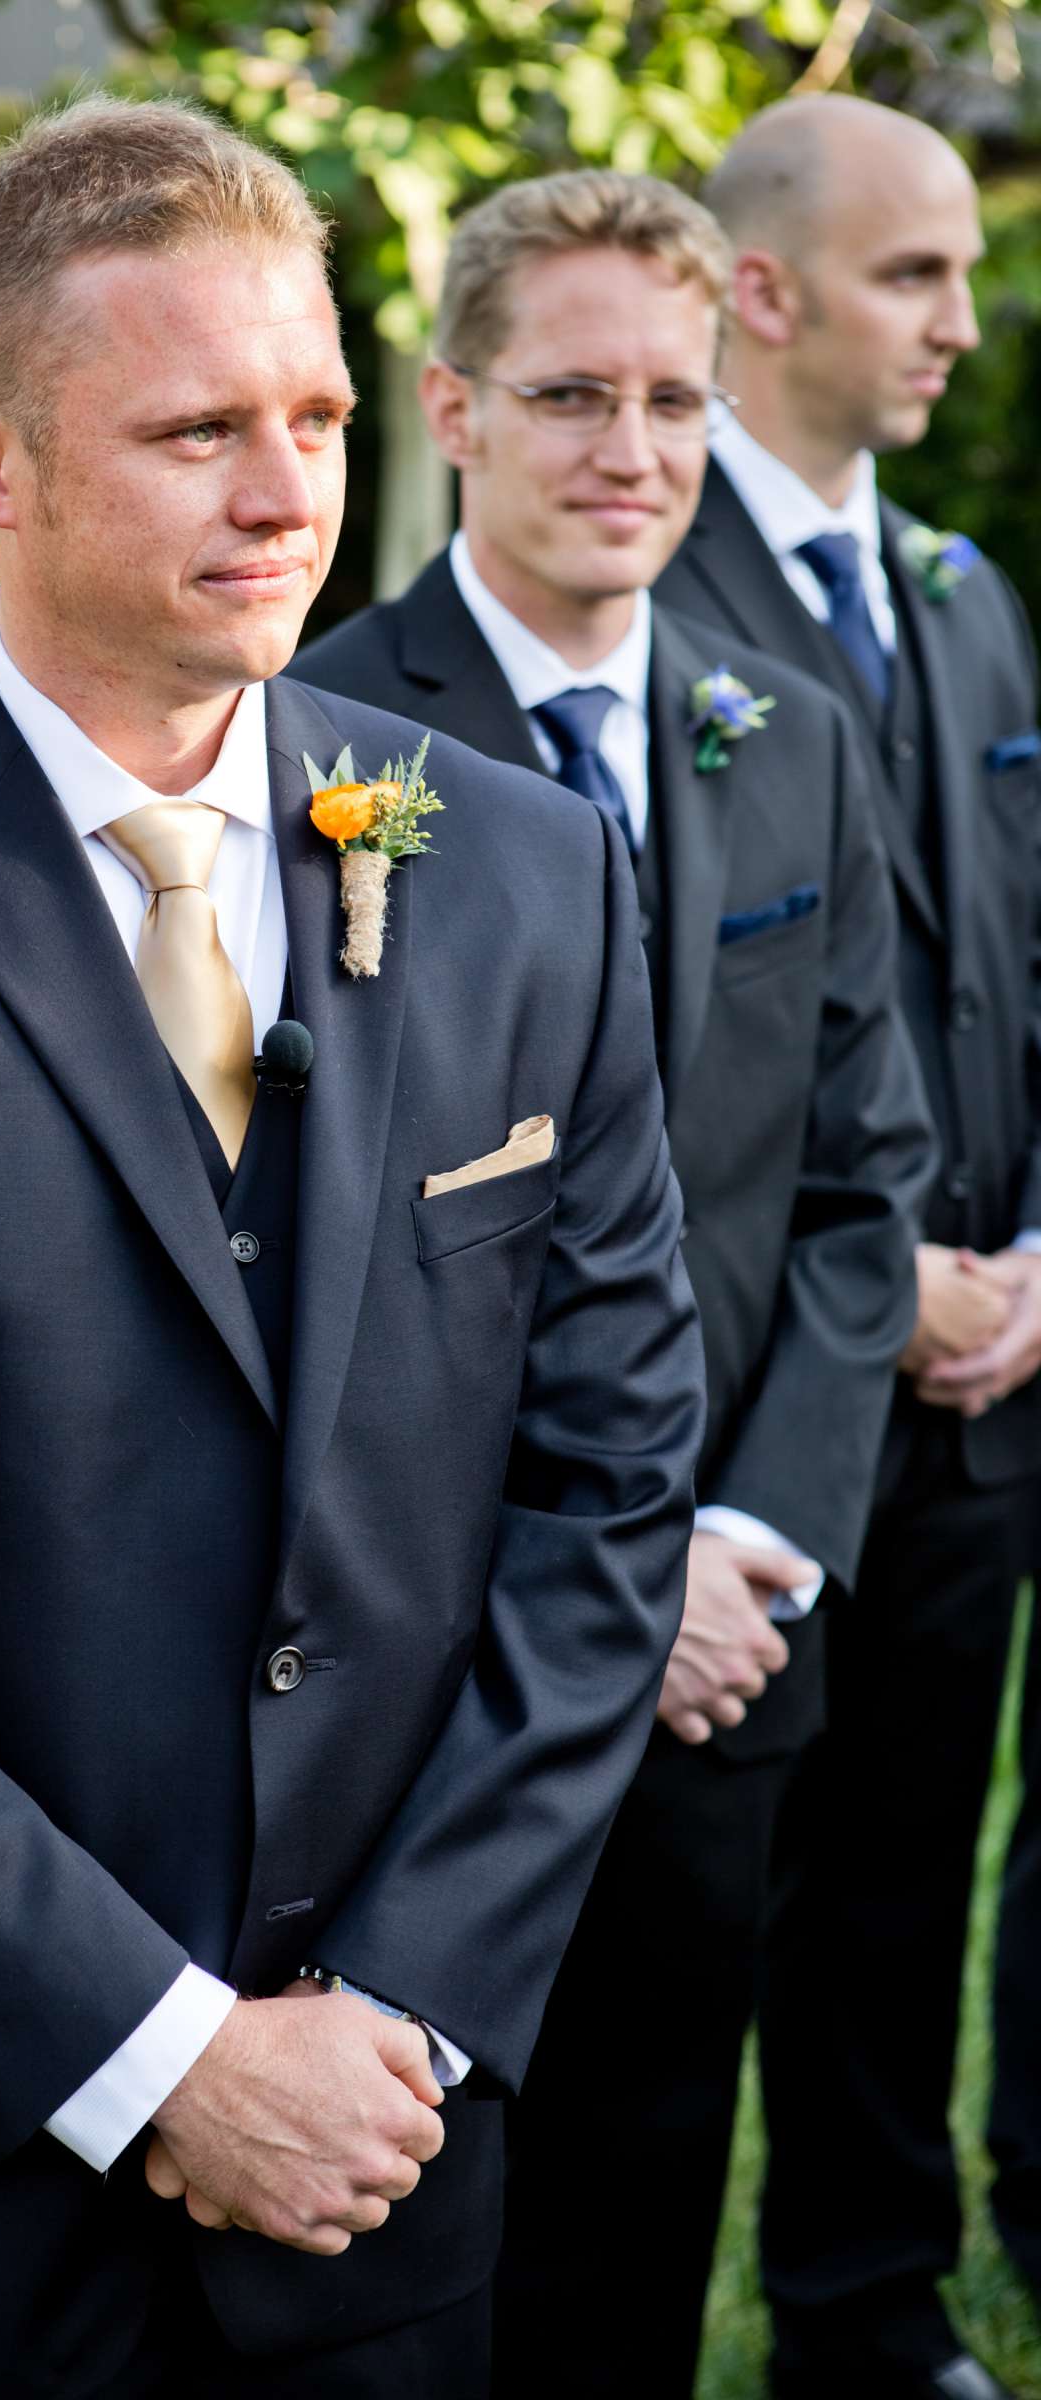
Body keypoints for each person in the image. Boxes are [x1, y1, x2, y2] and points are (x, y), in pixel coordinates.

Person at [0, 97, 705, 2400]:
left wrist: (396, 2020)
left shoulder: (525, 874)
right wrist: (161, 2059)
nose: (288, 497)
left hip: (392, 2169)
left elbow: (604, 1489)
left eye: (316, 420)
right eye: (195, 433)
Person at [298, 168, 934, 2396]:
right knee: (407, 2200)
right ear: (452, 408)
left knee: (648, 2185)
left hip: (720, 1644)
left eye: (672, 399)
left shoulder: (795, 737)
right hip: (423, 1641)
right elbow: (311, 1238)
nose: (630, 452)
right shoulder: (316, 740)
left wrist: (736, 1544)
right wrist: (588, 1560)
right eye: (569, 394)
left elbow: (861, 1186)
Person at [657, 96, 1041, 2400]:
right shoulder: (633, 585)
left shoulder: (965, 596)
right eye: (914, 276)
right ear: (762, 291)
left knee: (908, 1857)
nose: (961, 327)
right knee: (714, 1890)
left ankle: (862, 2310)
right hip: (752, 1390)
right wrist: (868, 1275)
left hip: (995, 1376)